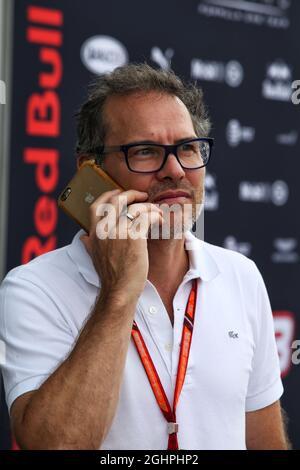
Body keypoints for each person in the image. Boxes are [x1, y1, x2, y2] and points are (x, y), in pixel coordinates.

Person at [0, 64, 289, 450]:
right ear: (91, 170)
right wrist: (119, 293)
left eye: (188, 148)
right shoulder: (33, 288)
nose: (175, 171)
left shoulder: (241, 275)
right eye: (145, 152)